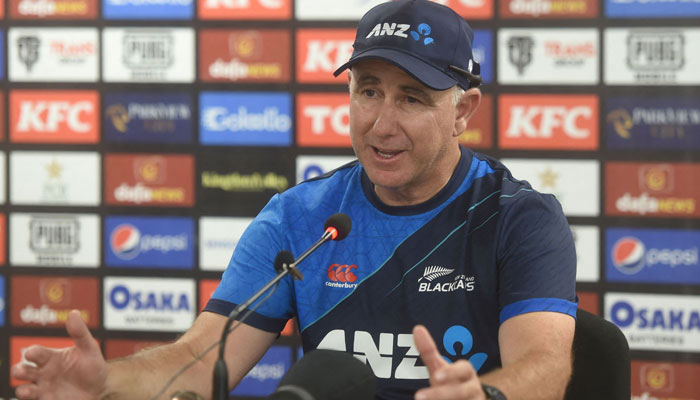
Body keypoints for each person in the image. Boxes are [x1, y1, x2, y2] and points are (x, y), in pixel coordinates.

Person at [12, 1, 577, 399]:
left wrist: (488, 396)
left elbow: (545, 366)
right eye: (368, 92)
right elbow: (204, 356)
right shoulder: (300, 216)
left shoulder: (519, 219)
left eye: (412, 99)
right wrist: (106, 382)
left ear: (463, 111)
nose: (381, 124)